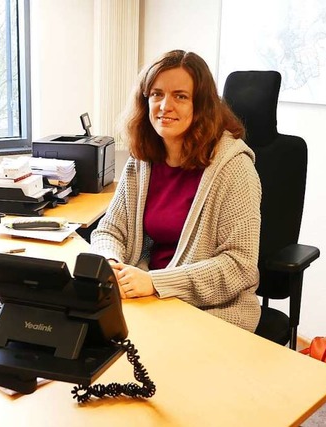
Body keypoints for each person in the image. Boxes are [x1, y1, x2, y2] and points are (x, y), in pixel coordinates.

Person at [90, 50, 262, 332]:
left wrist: (157, 283)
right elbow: (110, 231)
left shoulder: (234, 168)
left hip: (212, 312)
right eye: (156, 94)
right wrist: (112, 264)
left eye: (180, 96)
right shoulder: (143, 159)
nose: (164, 106)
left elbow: (239, 266)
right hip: (146, 300)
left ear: (202, 104)